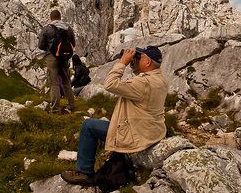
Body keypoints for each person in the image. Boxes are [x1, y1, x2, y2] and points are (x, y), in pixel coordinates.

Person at [61, 45, 168, 185]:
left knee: (88, 126)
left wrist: (122, 63)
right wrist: (134, 64)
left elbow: (110, 84)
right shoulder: (160, 78)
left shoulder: (144, 83)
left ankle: (85, 172)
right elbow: (140, 76)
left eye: (139, 57)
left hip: (138, 134)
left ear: (148, 62)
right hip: (152, 130)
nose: (136, 59)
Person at [37, 10, 76, 114]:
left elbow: (41, 46)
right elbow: (73, 43)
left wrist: (50, 48)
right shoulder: (68, 28)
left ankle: (55, 109)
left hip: (51, 58)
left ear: (50, 18)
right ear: (60, 17)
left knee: (54, 84)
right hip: (65, 58)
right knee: (66, 81)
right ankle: (71, 105)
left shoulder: (47, 29)